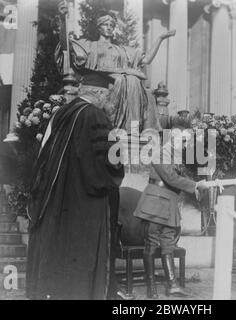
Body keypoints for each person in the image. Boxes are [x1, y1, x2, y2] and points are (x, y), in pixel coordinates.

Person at [26, 92, 124, 300]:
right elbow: (110, 162)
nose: (109, 101)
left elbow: (42, 157)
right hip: (86, 201)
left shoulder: (59, 114)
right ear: (98, 94)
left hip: (58, 196)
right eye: (107, 95)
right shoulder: (95, 115)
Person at [56, 2, 175, 133]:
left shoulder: (122, 50)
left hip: (121, 89)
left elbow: (146, 59)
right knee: (131, 80)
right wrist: (63, 19)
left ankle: (132, 130)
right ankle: (130, 130)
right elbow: (66, 47)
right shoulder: (90, 46)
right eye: (105, 24)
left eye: (111, 25)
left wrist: (160, 38)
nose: (109, 27)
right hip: (99, 89)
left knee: (135, 83)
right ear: (99, 27)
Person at [133, 123, 212, 299]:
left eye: (186, 140)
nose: (184, 144)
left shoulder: (176, 157)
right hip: (155, 204)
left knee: (168, 245)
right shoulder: (159, 153)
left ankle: (172, 285)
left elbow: (179, 178)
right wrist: (195, 185)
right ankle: (151, 287)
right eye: (182, 139)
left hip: (169, 205)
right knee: (151, 245)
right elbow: (171, 177)